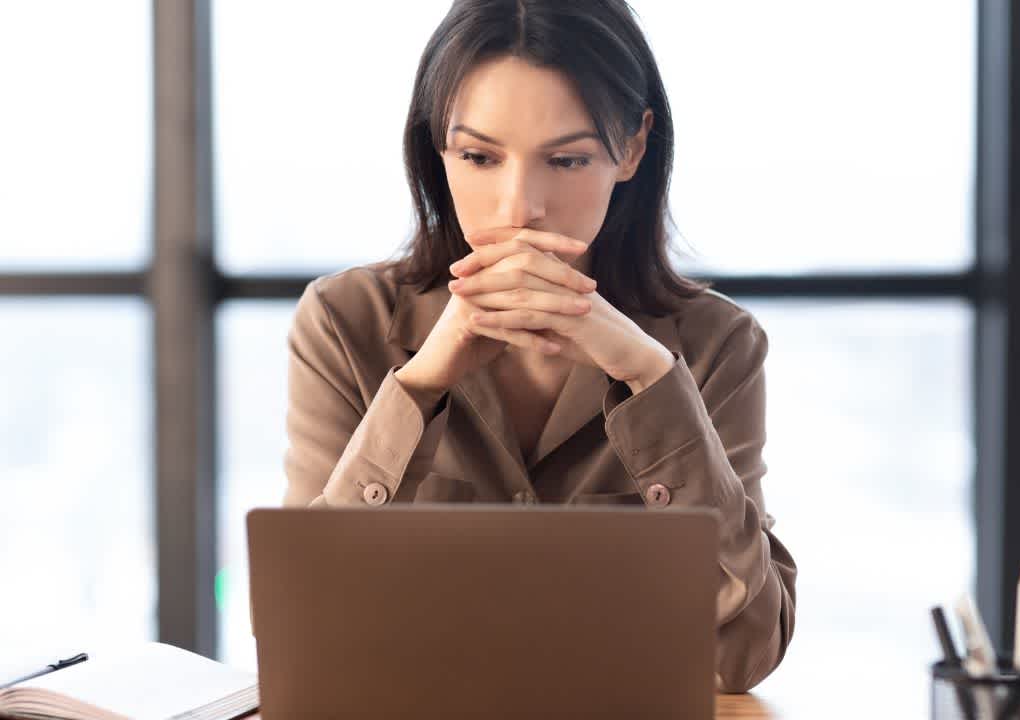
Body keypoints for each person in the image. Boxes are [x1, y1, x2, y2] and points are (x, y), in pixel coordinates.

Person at [282, 0, 796, 693]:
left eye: (567, 158)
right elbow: (304, 634)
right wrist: (421, 384)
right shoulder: (344, 323)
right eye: (479, 157)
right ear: (437, 148)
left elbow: (740, 659)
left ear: (634, 150)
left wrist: (650, 378)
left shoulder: (717, 346)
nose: (519, 207)